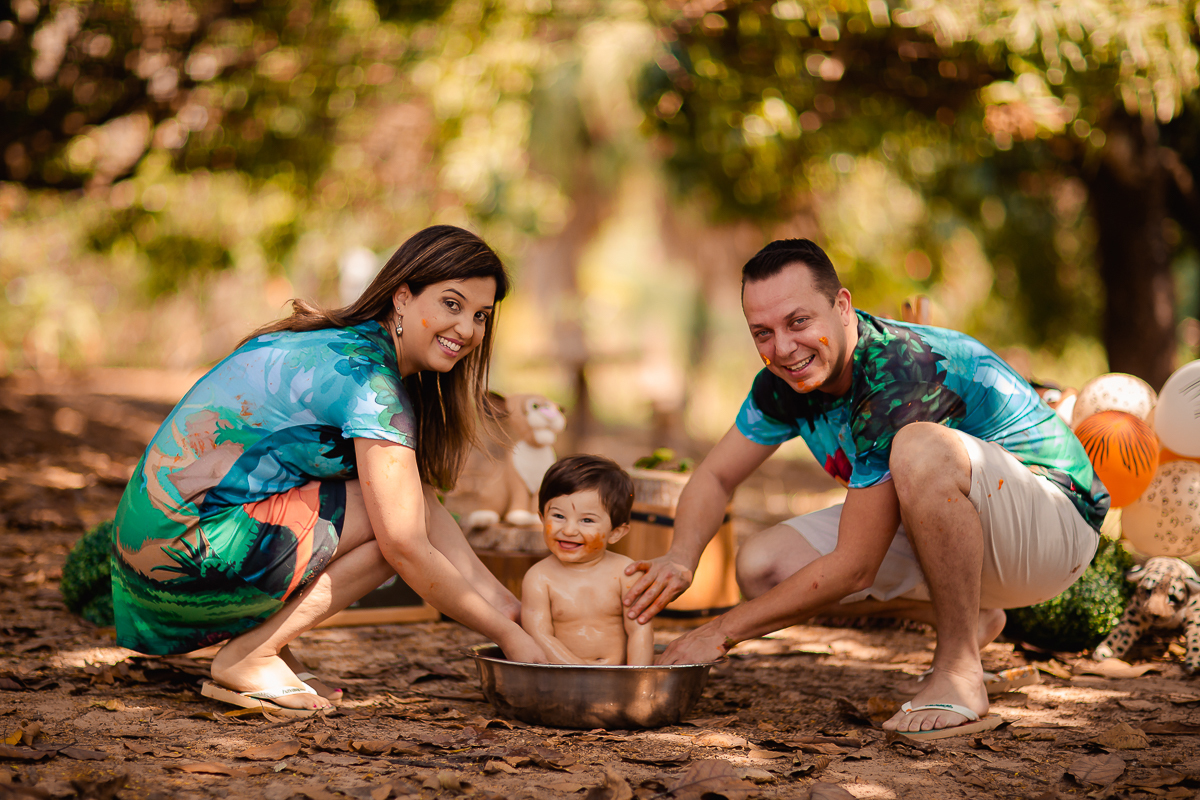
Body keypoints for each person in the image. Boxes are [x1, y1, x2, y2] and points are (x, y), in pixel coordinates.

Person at [622, 239, 1109, 739]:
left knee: (918, 449)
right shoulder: (783, 385)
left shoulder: (897, 369)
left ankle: (960, 673)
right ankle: (973, 617)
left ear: (842, 306)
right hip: (970, 526)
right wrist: (681, 557)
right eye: (762, 333)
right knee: (762, 566)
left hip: (1055, 523)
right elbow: (714, 476)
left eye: (798, 322)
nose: (783, 348)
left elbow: (856, 567)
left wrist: (721, 631)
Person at [111, 225, 549, 716]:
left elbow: (423, 505)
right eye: (452, 304)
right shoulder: (369, 381)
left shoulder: (345, 345)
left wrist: (513, 611)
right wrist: (507, 635)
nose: (467, 329)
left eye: (480, 316)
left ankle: (261, 643)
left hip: (146, 558)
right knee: (395, 533)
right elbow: (405, 542)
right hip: (173, 561)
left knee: (405, 503)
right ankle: (250, 656)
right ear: (402, 296)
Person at [520, 455, 654, 666]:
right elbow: (539, 635)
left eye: (587, 520)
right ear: (541, 518)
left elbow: (640, 631)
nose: (569, 530)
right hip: (561, 676)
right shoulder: (539, 578)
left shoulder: (625, 573)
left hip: (617, 677)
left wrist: (638, 682)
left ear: (616, 533)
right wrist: (580, 671)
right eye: (558, 516)